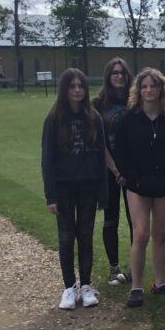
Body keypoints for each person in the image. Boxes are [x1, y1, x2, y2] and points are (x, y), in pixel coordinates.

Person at [113, 68, 165, 308]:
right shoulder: (129, 118)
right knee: (141, 233)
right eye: (144, 86)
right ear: (138, 90)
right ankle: (136, 287)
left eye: (152, 86)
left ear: (160, 89)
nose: (148, 90)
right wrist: (132, 179)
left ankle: (161, 282)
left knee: (160, 235)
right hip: (137, 185)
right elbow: (121, 153)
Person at [41, 68, 107, 310]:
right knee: (67, 237)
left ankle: (87, 285)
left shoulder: (94, 118)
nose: (77, 90)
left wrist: (103, 192)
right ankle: (69, 287)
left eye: (81, 86)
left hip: (89, 185)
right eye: (72, 86)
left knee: (86, 235)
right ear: (65, 90)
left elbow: (101, 158)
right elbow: (47, 159)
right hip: (64, 187)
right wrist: (51, 195)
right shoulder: (54, 119)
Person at [92, 57, 134, 286]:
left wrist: (127, 170)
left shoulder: (134, 101)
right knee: (111, 219)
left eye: (123, 73)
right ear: (108, 76)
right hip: (108, 171)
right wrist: (116, 170)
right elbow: (99, 143)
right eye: (115, 73)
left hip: (132, 171)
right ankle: (113, 267)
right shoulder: (98, 104)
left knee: (134, 221)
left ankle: (132, 267)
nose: (119, 76)